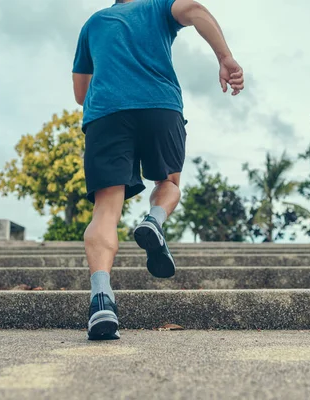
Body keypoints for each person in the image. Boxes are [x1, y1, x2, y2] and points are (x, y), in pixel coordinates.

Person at [72, 0, 244, 340]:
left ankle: (101, 301)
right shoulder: (160, 5)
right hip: (160, 106)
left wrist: (113, 83)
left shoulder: (94, 23)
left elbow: (80, 93)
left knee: (106, 210)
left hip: (106, 113)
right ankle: (154, 220)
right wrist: (225, 58)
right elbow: (196, 11)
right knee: (168, 182)